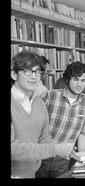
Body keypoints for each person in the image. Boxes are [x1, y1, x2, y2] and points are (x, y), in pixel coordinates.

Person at [11, 50, 74, 178]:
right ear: (14, 74)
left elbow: (43, 138)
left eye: (38, 72)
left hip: (32, 174)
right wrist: (55, 150)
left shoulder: (39, 103)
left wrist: (61, 147)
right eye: (28, 71)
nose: (34, 77)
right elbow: (12, 149)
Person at [35, 61, 85, 178]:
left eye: (83, 80)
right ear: (67, 80)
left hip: (63, 160)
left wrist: (82, 159)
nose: (79, 84)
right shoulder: (49, 95)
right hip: (41, 155)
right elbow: (33, 125)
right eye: (75, 79)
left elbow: (83, 132)